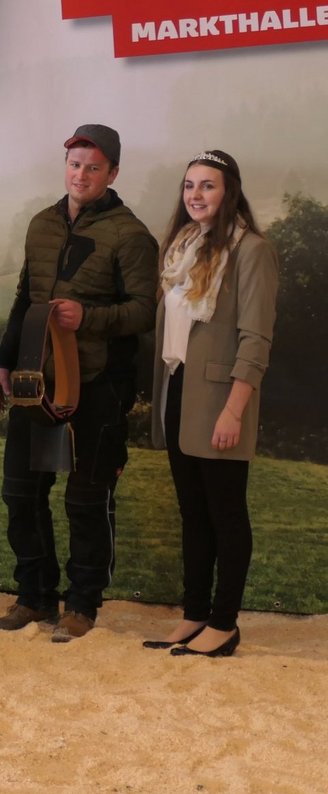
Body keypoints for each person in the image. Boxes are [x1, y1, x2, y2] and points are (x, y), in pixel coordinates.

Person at [0, 124, 158, 642]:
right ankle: (34, 596)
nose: (81, 175)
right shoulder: (41, 224)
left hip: (100, 385)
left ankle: (82, 605)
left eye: (93, 167)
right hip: (33, 381)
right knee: (21, 493)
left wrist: (89, 318)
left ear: (113, 173)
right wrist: (1, 362)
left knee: (86, 500)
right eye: (75, 164)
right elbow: (24, 300)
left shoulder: (131, 235)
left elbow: (145, 312)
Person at [143, 151, 276, 658]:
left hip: (222, 399)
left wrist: (234, 410)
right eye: (189, 186)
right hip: (178, 390)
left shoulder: (252, 250)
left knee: (226, 513)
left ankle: (224, 624)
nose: (195, 195)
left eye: (208, 185)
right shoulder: (183, 247)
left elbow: (255, 340)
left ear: (230, 192)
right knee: (193, 514)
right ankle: (195, 613)